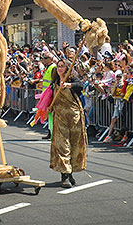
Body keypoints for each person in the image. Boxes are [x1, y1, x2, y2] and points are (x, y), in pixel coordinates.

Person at [50, 59, 86, 188]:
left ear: (67, 68)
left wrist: (68, 85)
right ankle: (64, 175)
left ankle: (70, 171)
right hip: (60, 118)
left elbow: (81, 86)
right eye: (58, 66)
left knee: (74, 146)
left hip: (74, 118)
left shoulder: (73, 80)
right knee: (62, 146)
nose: (60, 69)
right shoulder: (54, 81)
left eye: (62, 66)